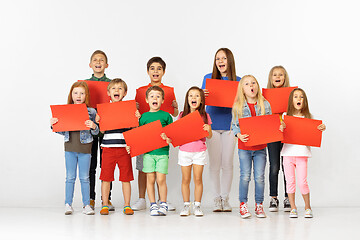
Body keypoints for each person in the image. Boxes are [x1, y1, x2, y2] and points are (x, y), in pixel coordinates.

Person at [132, 57, 178, 211]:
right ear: (147, 71)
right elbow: (135, 115)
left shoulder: (169, 91)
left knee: (159, 173)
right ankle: (142, 198)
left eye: (159, 68)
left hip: (160, 140)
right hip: (144, 135)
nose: (155, 71)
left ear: (164, 72)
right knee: (142, 168)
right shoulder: (140, 91)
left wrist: (176, 108)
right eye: (152, 68)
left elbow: (172, 115)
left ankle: (161, 200)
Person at [201, 48, 240, 212]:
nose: (221, 61)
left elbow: (242, 104)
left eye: (224, 58)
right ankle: (216, 198)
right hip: (212, 125)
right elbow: (200, 102)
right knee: (215, 164)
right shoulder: (208, 78)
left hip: (230, 125)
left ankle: (225, 198)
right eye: (218, 58)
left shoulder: (238, 80)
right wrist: (202, 95)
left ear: (229, 61)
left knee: (228, 163)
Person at [50, 81, 98, 215]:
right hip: (70, 148)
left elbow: (95, 132)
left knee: (85, 178)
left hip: (85, 149)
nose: (79, 96)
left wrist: (94, 126)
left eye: (82, 93)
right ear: (71, 95)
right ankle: (68, 204)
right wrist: (53, 124)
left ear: (86, 96)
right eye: (76, 93)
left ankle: (87, 205)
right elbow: (60, 130)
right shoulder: (66, 111)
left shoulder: (91, 111)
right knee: (70, 177)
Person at [127, 86, 173, 216]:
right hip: (147, 154)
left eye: (158, 96)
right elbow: (138, 136)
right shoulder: (144, 117)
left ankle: (163, 203)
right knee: (150, 179)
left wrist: (167, 138)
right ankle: (153, 204)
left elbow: (172, 136)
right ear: (147, 100)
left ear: (162, 100)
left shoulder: (166, 116)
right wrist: (131, 146)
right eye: (152, 96)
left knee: (161, 179)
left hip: (162, 153)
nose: (155, 98)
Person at [96, 79, 140, 215]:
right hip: (108, 148)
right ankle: (105, 204)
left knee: (126, 178)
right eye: (114, 88)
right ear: (108, 92)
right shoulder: (103, 109)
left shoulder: (129, 109)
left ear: (125, 93)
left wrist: (137, 119)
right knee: (106, 177)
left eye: (120, 88)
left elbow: (134, 130)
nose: (117, 90)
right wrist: (98, 122)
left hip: (124, 148)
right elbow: (101, 132)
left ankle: (127, 205)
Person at [280, 88, 326, 218]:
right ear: (291, 100)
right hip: (287, 154)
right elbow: (279, 133)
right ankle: (293, 208)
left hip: (302, 155)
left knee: (302, 182)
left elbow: (314, 131)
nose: (298, 99)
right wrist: (281, 127)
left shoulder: (308, 118)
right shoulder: (285, 116)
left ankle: (307, 206)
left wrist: (321, 128)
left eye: (301, 97)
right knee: (290, 182)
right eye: (295, 97)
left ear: (304, 101)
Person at [231, 75, 272, 219]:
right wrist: (239, 135)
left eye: (253, 83)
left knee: (259, 177)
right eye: (247, 84)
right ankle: (243, 204)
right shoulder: (237, 106)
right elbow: (234, 126)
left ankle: (259, 205)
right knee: (245, 176)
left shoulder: (265, 104)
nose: (251, 86)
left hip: (261, 147)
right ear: (242, 89)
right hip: (245, 147)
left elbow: (269, 124)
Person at [177, 87, 212, 217]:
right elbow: (177, 134)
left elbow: (209, 136)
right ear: (187, 99)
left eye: (197, 96)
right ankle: (186, 205)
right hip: (185, 152)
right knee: (185, 179)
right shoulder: (182, 115)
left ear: (201, 100)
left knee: (198, 179)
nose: (194, 98)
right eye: (191, 95)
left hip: (199, 152)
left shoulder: (205, 116)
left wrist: (208, 128)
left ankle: (197, 205)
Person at [86, 50, 114, 211]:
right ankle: (90, 198)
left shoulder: (111, 84)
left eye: (102, 60)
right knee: (91, 165)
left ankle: (106, 198)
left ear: (106, 65)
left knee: (106, 164)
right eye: (95, 60)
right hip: (89, 129)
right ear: (90, 64)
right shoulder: (85, 84)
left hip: (107, 129)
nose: (98, 62)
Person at [266, 65, 291, 212]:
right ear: (271, 78)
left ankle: (288, 198)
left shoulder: (290, 94)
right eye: (275, 74)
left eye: (281, 74)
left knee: (286, 166)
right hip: (272, 134)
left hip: (288, 134)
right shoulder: (265, 96)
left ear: (285, 78)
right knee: (274, 166)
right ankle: (273, 198)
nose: (277, 77)